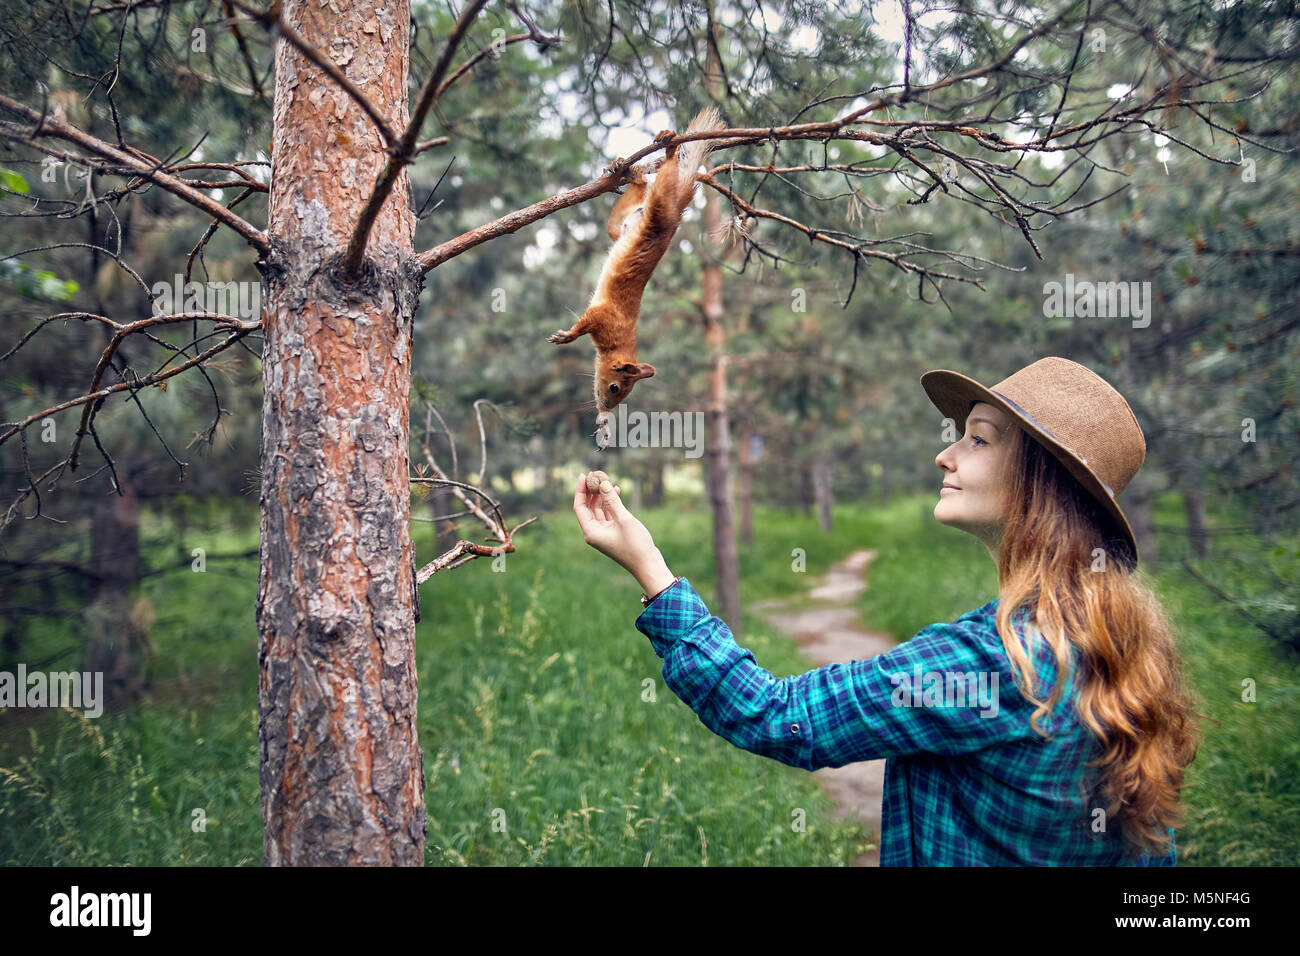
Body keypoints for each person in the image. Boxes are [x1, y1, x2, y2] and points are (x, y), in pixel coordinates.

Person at [571, 356, 1202, 866]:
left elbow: (778, 714)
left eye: (978, 439)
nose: (946, 456)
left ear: (1042, 483)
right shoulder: (1120, 640)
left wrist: (648, 565)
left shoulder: (996, 659)